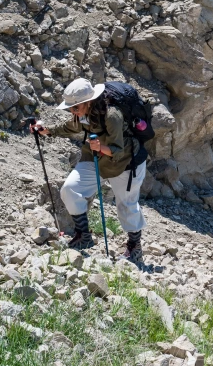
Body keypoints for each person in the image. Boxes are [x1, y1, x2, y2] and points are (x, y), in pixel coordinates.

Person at [29, 78, 147, 262]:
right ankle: (83, 236)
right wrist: (47, 130)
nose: (72, 111)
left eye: (75, 107)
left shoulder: (112, 115)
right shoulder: (82, 113)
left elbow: (118, 150)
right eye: (70, 107)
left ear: (88, 102)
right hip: (95, 158)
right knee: (70, 190)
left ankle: (134, 247)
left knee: (127, 205)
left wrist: (100, 148)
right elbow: (71, 127)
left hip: (125, 163)